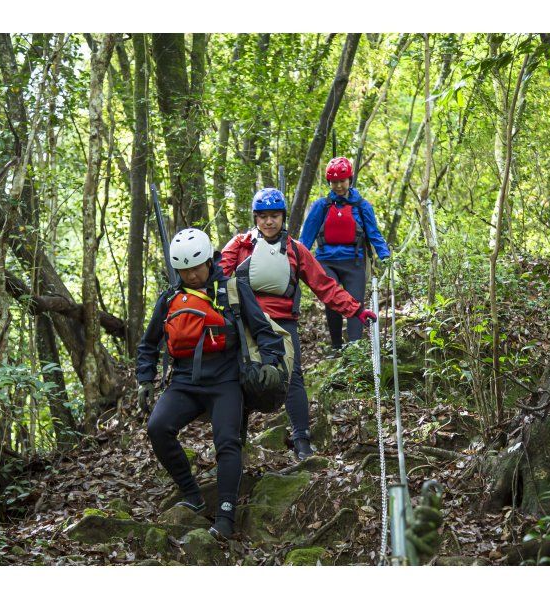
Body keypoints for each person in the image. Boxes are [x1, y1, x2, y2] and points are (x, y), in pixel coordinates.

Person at [136, 228, 285, 541]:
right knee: (157, 427)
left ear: (208, 260)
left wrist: (271, 363)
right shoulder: (170, 299)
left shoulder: (231, 288)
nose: (191, 275)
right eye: (184, 270)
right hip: (184, 382)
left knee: (227, 442)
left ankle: (226, 516)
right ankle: (191, 493)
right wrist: (144, 380)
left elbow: (262, 329)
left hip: (226, 380)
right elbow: (149, 344)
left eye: (196, 267)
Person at [220, 188, 376, 460]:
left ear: (283, 217)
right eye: (264, 217)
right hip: (246, 322)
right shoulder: (240, 245)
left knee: (292, 378)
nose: (269, 222)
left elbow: (324, 286)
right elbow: (217, 277)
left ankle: (302, 440)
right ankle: (235, 444)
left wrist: (356, 310)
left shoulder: (295, 250)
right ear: (256, 218)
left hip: (283, 323)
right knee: (240, 378)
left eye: (275, 216)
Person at [299, 156, 391, 352]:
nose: (338, 186)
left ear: (350, 180)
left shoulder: (362, 206)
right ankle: (336, 347)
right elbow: (306, 238)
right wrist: (294, 261)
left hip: (354, 261)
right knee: (333, 300)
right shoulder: (321, 206)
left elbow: (374, 233)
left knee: (355, 305)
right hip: (326, 262)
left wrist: (385, 256)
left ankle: (354, 349)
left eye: (342, 181)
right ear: (329, 182)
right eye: (334, 182)